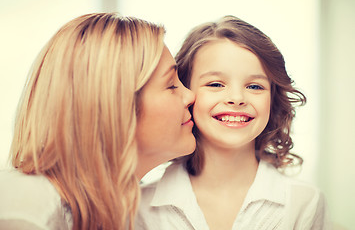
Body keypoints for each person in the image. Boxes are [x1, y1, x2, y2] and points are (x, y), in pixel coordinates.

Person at [0, 12, 196, 230]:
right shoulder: (26, 211)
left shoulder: (127, 214)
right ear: (116, 105)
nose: (190, 95)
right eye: (171, 85)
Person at [136, 16, 330, 229]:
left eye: (255, 86)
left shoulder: (304, 202)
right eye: (216, 84)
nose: (237, 98)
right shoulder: (139, 206)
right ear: (186, 93)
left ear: (273, 100)